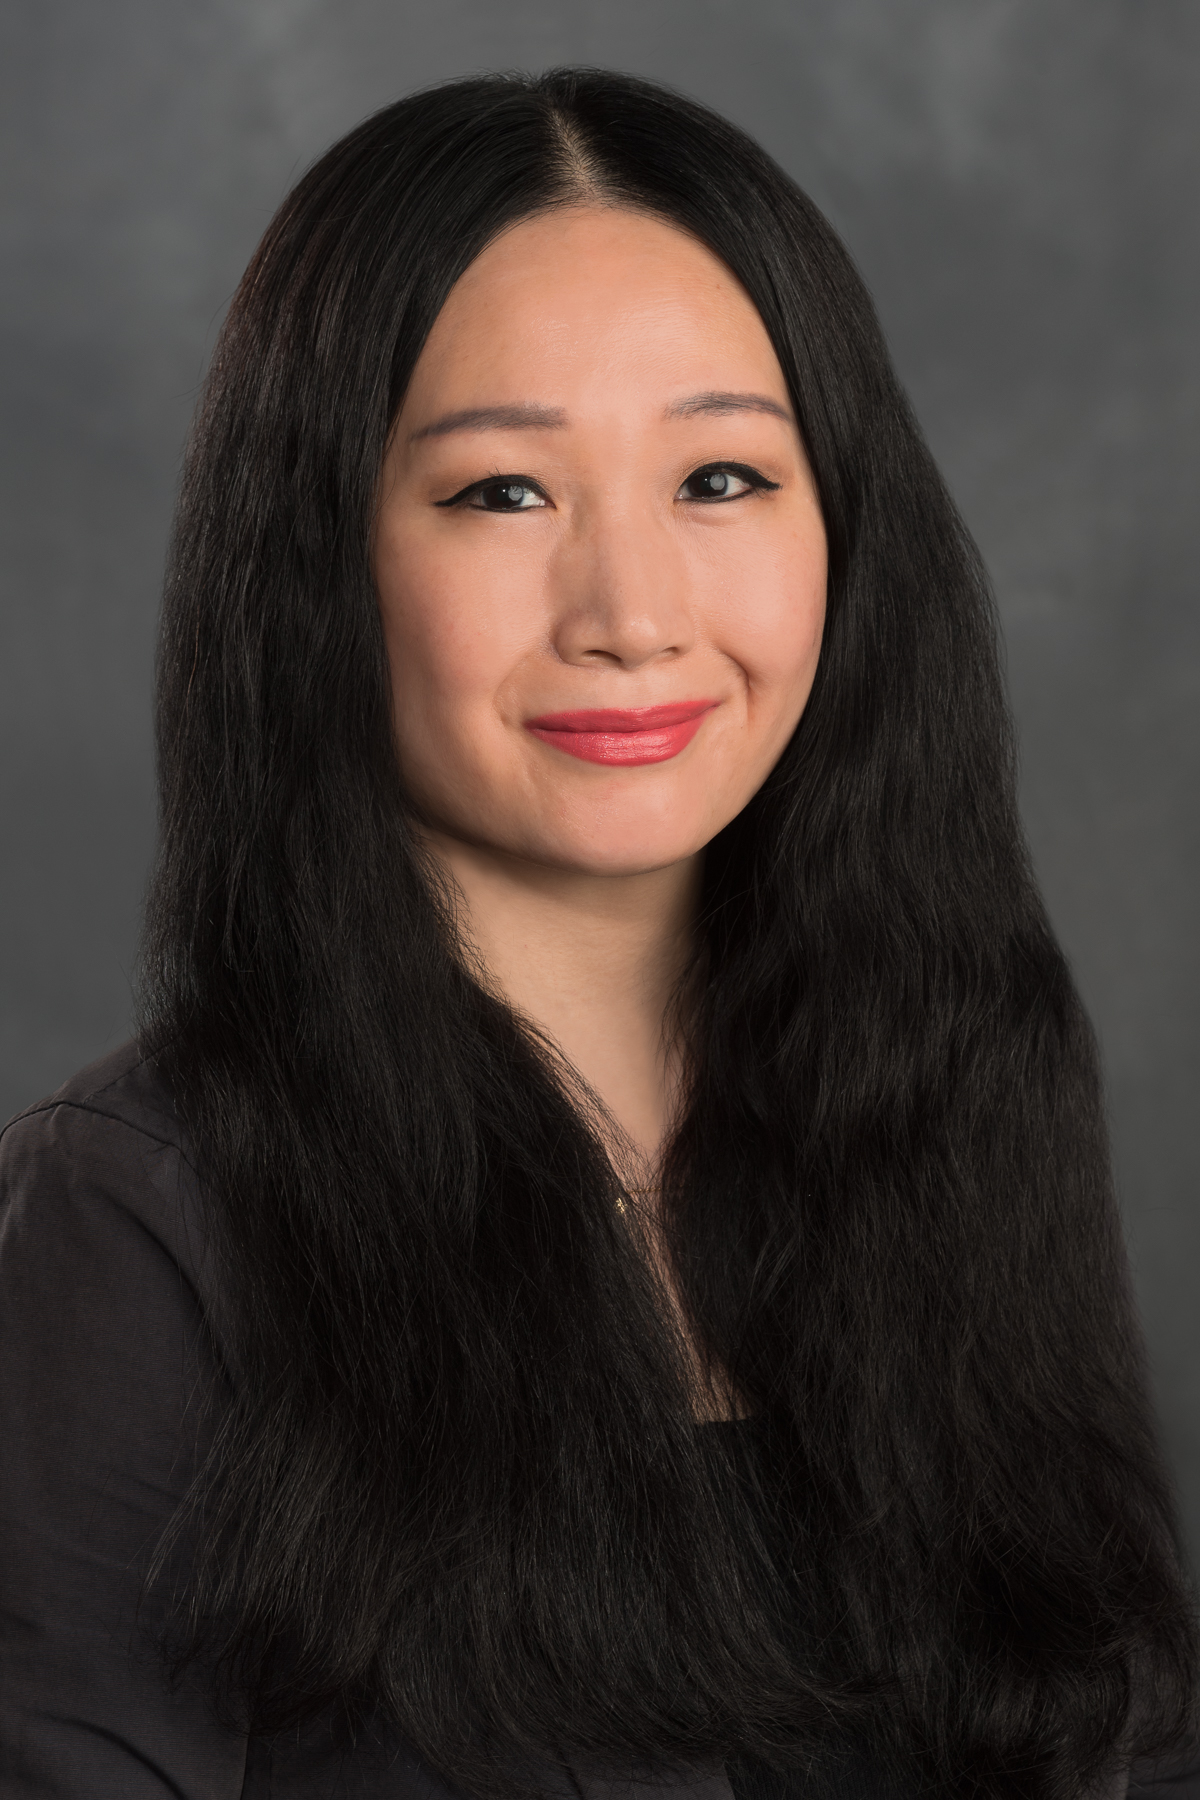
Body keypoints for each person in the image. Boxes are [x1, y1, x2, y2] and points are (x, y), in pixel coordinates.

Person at [0, 66, 1195, 1800]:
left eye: (721, 477)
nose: (632, 614)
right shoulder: (140, 1225)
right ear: (318, 551)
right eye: (503, 493)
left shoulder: (957, 1098)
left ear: (845, 531)